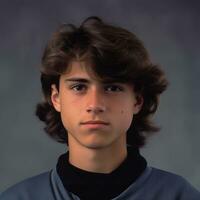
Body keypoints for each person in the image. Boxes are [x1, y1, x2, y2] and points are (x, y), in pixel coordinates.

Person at [0, 16, 199, 200]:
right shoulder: (18, 198)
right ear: (56, 98)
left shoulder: (180, 196)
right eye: (79, 87)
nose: (94, 104)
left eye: (112, 87)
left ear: (137, 101)